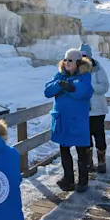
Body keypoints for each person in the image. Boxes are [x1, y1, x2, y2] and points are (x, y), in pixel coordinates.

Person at [44, 48, 94, 192]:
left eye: (70, 60)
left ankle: (83, 181)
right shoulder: (60, 75)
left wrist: (65, 87)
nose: (66, 62)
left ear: (78, 62)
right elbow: (47, 91)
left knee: (81, 152)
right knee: (64, 151)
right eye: (65, 59)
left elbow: (82, 92)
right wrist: (60, 85)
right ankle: (68, 179)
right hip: (62, 120)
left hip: (77, 121)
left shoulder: (85, 76)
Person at [79, 43, 110, 174]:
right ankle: (89, 162)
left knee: (99, 135)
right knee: (86, 137)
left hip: (97, 110)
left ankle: (102, 161)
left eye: (85, 56)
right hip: (83, 110)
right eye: (81, 56)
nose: (83, 58)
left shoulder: (98, 69)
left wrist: (89, 86)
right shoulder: (77, 69)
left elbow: (104, 87)